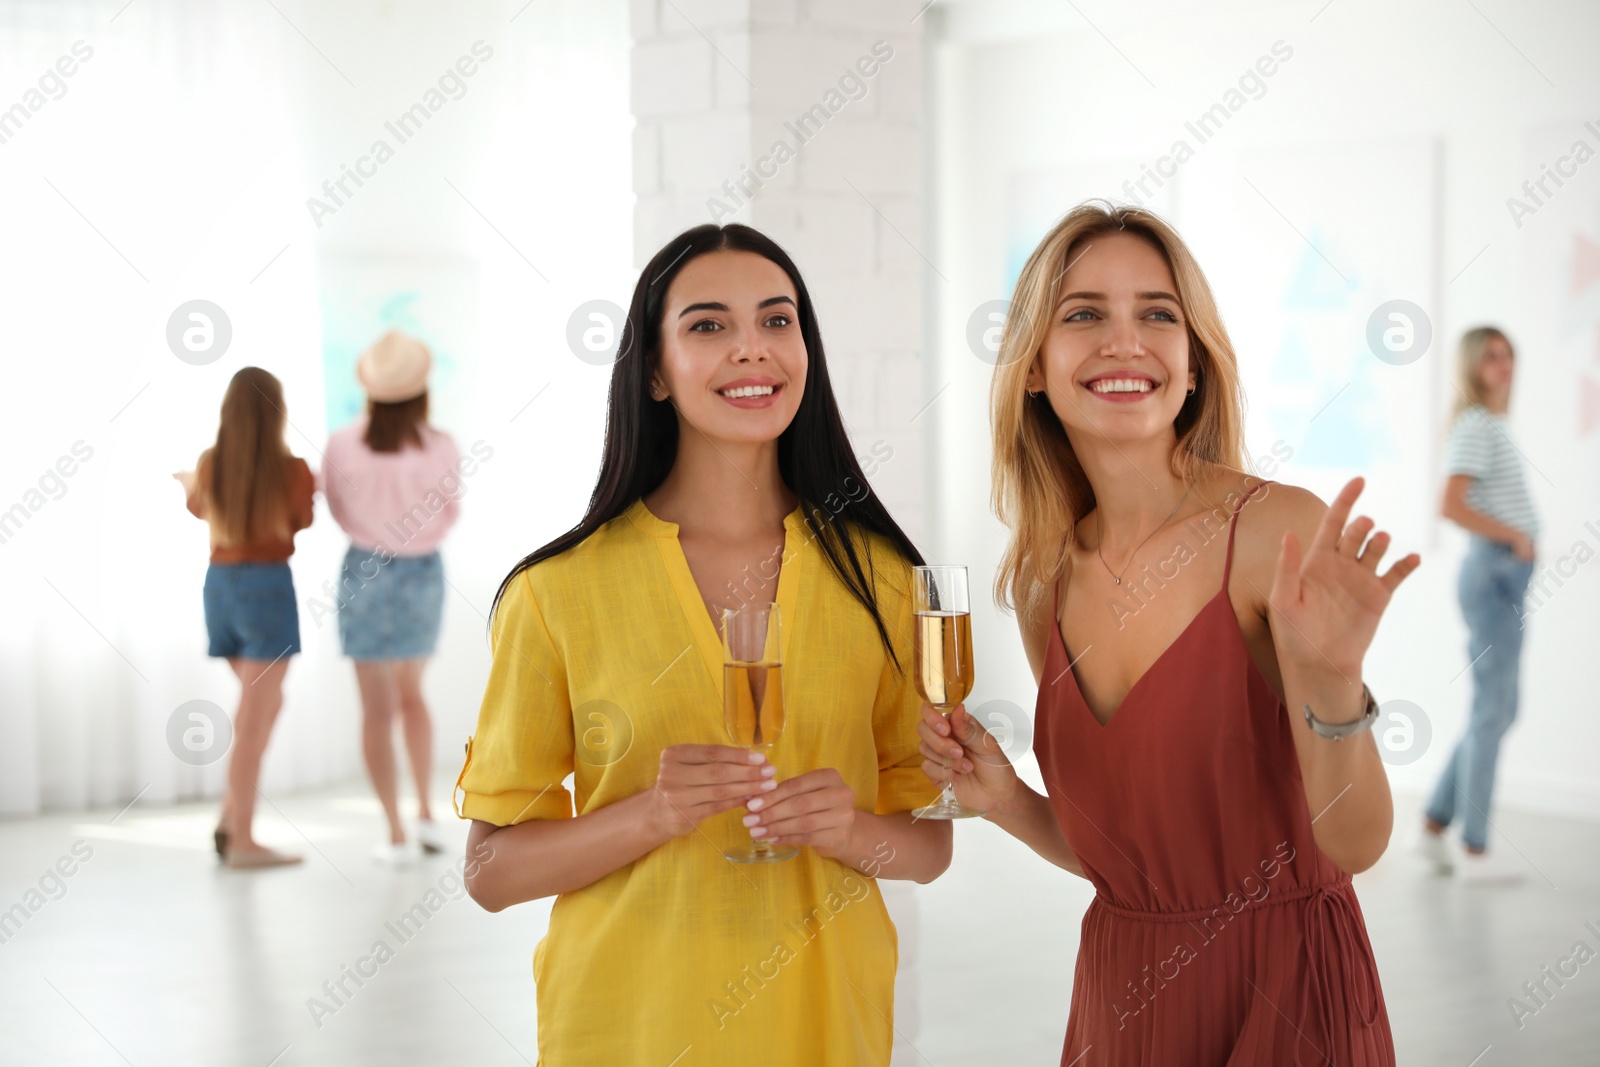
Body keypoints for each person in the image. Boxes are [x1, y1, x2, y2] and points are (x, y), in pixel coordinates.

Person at [920, 202, 1418, 1065]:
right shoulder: (1048, 582)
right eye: (1084, 315)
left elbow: (1358, 843)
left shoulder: (1274, 533)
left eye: (1158, 313)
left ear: (1194, 365)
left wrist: (1336, 681)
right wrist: (1005, 802)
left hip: (1287, 999)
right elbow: (1131, 865)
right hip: (1124, 1002)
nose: (1126, 342)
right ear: (1034, 366)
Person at [456, 223, 951, 1065]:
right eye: (708, 325)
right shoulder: (555, 593)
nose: (752, 350)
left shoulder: (888, 581)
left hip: (825, 1026)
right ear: (653, 370)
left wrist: (841, 827)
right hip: (626, 1028)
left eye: (777, 320)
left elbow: (928, 847)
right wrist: (651, 814)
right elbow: (491, 871)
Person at [322, 330, 462, 864]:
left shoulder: (342, 443)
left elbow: (335, 508)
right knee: (412, 695)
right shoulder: (440, 445)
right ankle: (427, 813)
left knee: (375, 708)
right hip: (422, 571)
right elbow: (450, 512)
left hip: (362, 568)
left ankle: (394, 832)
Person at [175, 366, 314, 869]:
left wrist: (192, 484)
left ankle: (229, 818)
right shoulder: (294, 470)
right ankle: (242, 841)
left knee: (264, 708)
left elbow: (198, 508)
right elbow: (301, 518)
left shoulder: (210, 464)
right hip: (267, 589)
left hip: (221, 588)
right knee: (254, 721)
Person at [1416, 326, 1537, 884]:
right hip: (1493, 574)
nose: (1504, 364)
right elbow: (1450, 504)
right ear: (1471, 366)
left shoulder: (1491, 426)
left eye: (1508, 354)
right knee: (1494, 710)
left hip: (1502, 577)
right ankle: (1476, 848)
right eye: (1491, 356)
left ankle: (1437, 822)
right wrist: (1513, 537)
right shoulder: (1475, 426)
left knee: (1497, 709)